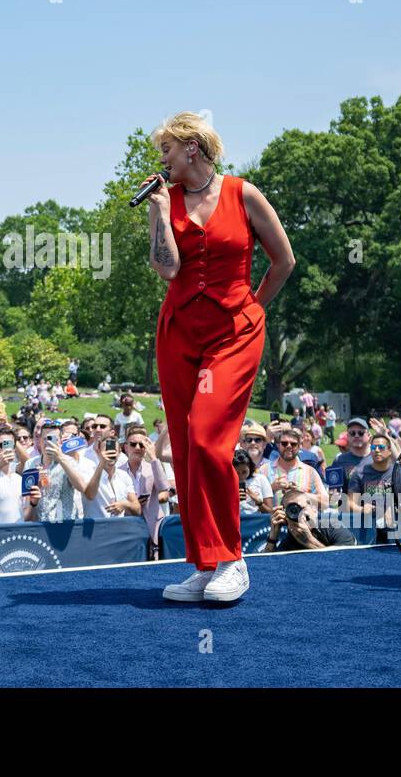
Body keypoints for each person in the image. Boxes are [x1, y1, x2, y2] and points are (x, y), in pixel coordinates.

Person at [145, 112, 295, 604]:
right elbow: (167, 270)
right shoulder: (166, 200)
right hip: (179, 334)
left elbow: (283, 260)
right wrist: (156, 212)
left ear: (192, 147)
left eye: (166, 149)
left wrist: (252, 305)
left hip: (233, 334)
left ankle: (232, 559)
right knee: (186, 448)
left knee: (209, 439)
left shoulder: (243, 193)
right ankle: (204, 563)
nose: (161, 158)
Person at [263, 488, 358, 552]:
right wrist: (272, 537)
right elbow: (267, 570)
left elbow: (347, 561)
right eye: (292, 510)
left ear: (314, 510)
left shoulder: (333, 527)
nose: (299, 515)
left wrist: (309, 541)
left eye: (301, 508)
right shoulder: (289, 541)